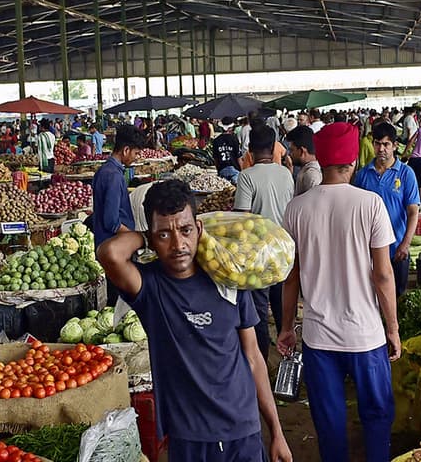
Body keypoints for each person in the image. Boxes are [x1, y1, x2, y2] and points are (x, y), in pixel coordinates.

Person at [98, 180, 292, 462]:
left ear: (199, 229)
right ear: (152, 239)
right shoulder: (150, 287)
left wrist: (276, 430)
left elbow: (253, 358)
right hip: (189, 436)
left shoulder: (226, 278)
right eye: (164, 235)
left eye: (186, 230)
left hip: (243, 428)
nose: (178, 245)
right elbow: (109, 254)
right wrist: (147, 235)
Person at [278, 122, 399, 462]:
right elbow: (384, 275)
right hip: (365, 335)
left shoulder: (297, 209)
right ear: (351, 162)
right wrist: (392, 328)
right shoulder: (370, 204)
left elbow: (291, 277)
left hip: (319, 339)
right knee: (377, 415)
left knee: (329, 422)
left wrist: (286, 327)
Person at [234, 125, 295, 361]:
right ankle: (288, 352)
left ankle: (261, 359)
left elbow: (242, 218)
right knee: (282, 305)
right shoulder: (285, 174)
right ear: (273, 148)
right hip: (283, 250)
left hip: (257, 253)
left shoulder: (247, 176)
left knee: (259, 308)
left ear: (250, 149)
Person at [352, 122, 421, 298]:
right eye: (377, 143)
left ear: (395, 146)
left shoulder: (406, 174)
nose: (381, 149)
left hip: (397, 250)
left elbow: (413, 212)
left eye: (386, 144)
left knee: (397, 297)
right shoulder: (362, 175)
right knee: (370, 297)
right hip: (369, 251)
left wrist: (405, 244)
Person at [91, 124, 142, 303]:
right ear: (126, 150)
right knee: (120, 300)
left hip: (108, 246)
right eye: (135, 153)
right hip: (115, 247)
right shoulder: (113, 175)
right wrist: (138, 238)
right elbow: (111, 221)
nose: (136, 158)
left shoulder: (104, 170)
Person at [286, 125, 322, 196]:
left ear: (302, 151)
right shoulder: (307, 171)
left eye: (292, 150)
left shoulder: (311, 175)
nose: (290, 154)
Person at [211, 118, 243, 183]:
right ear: (230, 128)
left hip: (222, 169)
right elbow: (239, 158)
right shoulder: (234, 139)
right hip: (235, 170)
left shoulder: (216, 140)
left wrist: (218, 170)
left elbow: (216, 159)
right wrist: (242, 171)